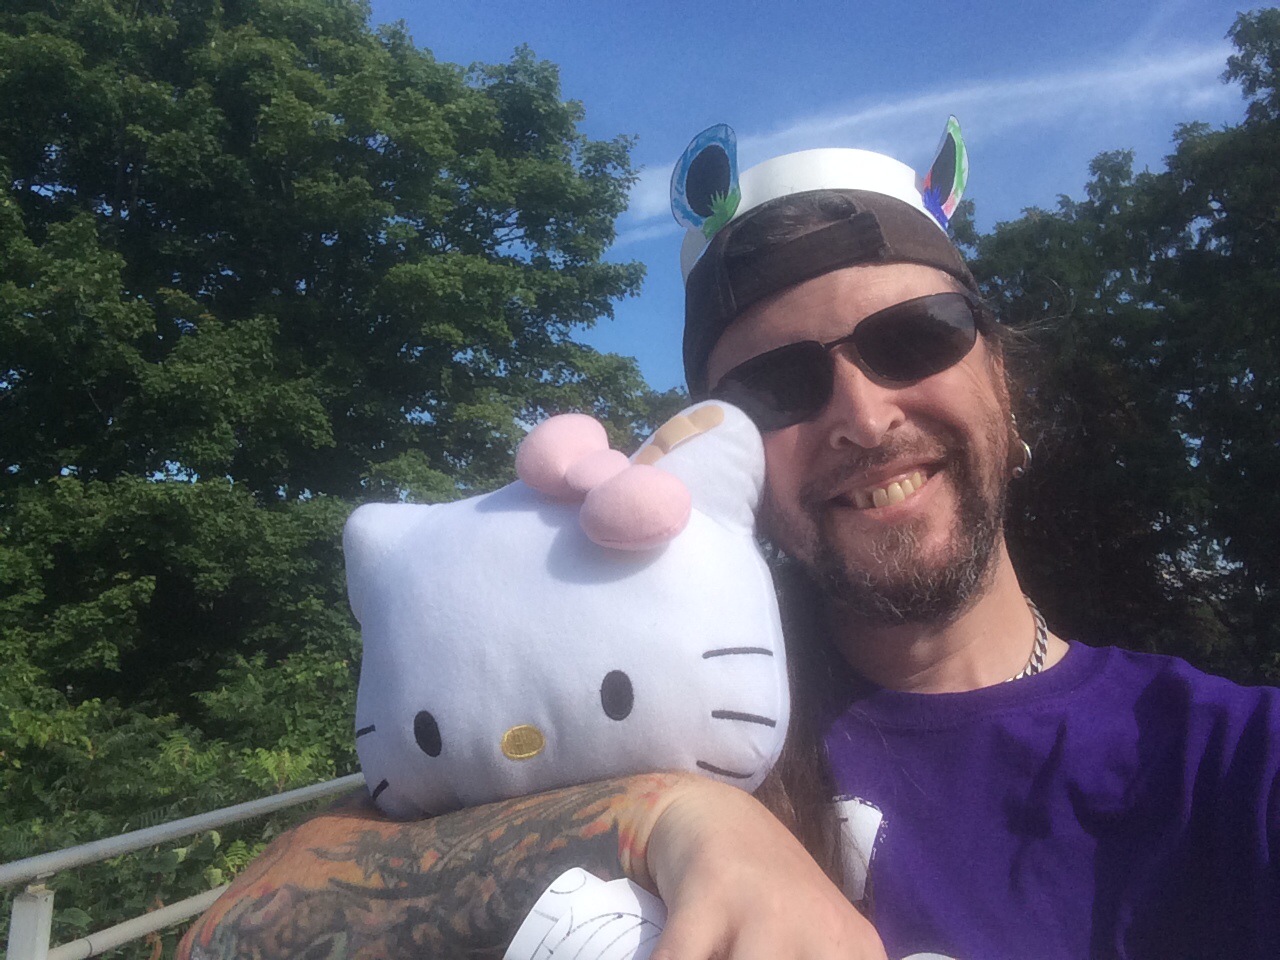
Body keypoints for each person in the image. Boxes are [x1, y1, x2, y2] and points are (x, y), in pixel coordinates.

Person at [178, 135, 1280, 960]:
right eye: (777, 385)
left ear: (1001, 375)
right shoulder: (669, 711)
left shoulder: (1231, 763)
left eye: (915, 338)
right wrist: (665, 816)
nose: (862, 417)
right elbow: (242, 921)